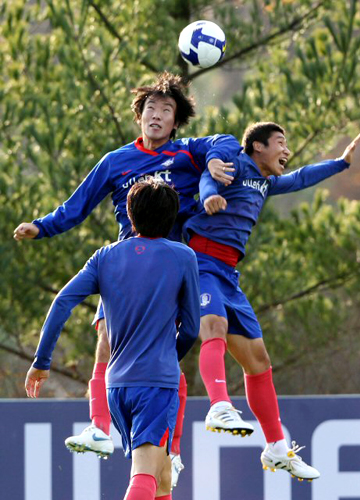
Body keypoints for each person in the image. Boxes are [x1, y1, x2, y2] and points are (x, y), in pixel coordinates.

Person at [14, 71, 241, 485]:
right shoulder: (116, 162)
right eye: (150, 108)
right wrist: (42, 227)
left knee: (171, 363)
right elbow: (76, 206)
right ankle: (100, 429)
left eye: (166, 110)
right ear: (139, 116)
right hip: (128, 267)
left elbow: (227, 141)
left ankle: (169, 447)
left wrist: (210, 160)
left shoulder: (187, 154)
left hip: (172, 272)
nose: (156, 115)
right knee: (108, 343)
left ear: (176, 121)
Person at [183, 122, 360, 481]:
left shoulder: (265, 182)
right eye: (280, 143)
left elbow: (300, 178)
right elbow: (208, 177)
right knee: (214, 327)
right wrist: (207, 196)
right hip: (200, 262)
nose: (286, 150)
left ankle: (277, 448)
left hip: (229, 274)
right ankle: (219, 405)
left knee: (259, 359)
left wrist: (340, 163)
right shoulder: (233, 162)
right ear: (257, 147)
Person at [25, 178, 201, 500]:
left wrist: (41, 362)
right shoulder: (182, 256)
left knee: (162, 477)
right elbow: (191, 328)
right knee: (145, 475)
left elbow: (63, 301)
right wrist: (166, 357)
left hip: (115, 386)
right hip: (155, 384)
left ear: (130, 215)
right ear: (172, 216)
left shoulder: (105, 257)